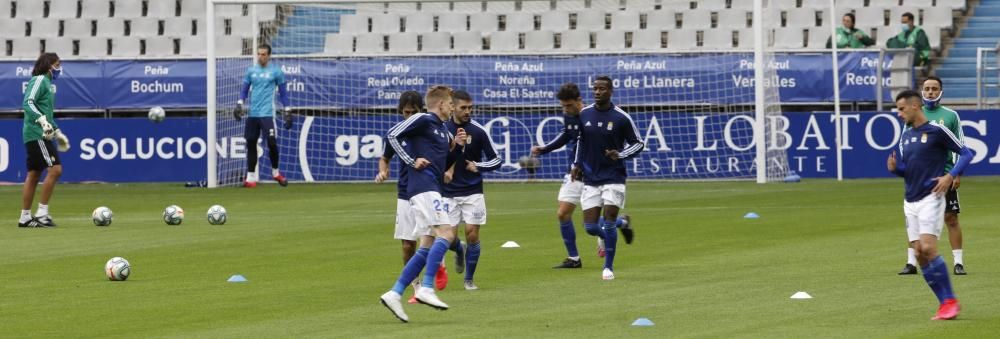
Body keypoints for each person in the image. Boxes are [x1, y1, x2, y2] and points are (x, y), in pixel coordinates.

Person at [379, 85, 467, 323]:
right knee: (447, 234)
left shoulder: (442, 130)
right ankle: (426, 287)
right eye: (450, 104)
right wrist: (410, 160)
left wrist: (458, 147)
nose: (453, 108)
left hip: (433, 188)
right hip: (423, 188)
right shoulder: (423, 119)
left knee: (426, 245)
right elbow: (392, 135)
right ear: (440, 105)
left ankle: (395, 293)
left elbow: (444, 162)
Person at [887, 90, 971, 320]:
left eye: (902, 108)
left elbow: (966, 153)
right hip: (909, 200)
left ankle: (951, 300)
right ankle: (944, 302)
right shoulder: (906, 136)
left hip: (930, 198)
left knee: (928, 248)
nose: (899, 113)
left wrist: (950, 175)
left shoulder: (937, 131)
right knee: (919, 253)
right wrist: (897, 170)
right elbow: (910, 172)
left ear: (915, 106)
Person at [531, 83, 632, 269]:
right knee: (562, 214)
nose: (565, 109)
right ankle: (574, 258)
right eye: (562, 106)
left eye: (568, 105)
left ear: (579, 101)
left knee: (593, 223)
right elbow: (565, 136)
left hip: (598, 175)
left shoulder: (591, 115)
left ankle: (616, 226)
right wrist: (544, 149)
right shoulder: (570, 117)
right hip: (576, 173)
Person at [375, 91, 448, 303]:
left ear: (421, 110)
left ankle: (441, 263)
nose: (408, 116)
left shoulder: (425, 129)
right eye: (405, 112)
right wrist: (383, 171)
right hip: (405, 192)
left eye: (412, 112)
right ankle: (417, 288)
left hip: (426, 189)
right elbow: (385, 158)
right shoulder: (398, 133)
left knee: (437, 233)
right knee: (408, 244)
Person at [571, 76, 643, 280]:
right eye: (595, 89)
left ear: (610, 91)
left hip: (614, 177)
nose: (597, 92)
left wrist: (620, 154)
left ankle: (608, 267)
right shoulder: (584, 114)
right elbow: (580, 141)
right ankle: (623, 223)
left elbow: (638, 143)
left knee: (608, 221)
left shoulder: (621, 117)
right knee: (591, 227)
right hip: (591, 177)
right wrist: (576, 164)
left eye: (602, 89)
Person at [899, 77, 967, 276]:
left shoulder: (950, 116)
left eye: (934, 89)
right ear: (922, 92)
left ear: (941, 92)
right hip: (920, 176)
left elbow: (961, 144)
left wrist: (956, 173)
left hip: (944, 174)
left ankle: (958, 262)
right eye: (927, 89)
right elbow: (903, 143)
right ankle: (911, 262)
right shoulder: (913, 114)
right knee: (915, 218)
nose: (930, 92)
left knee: (951, 218)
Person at [442, 90, 502, 290]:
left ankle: (469, 279)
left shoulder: (478, 130)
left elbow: (496, 159)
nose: (468, 111)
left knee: (472, 234)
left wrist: (479, 166)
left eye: (470, 107)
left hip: (472, 191)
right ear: (452, 107)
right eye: (463, 108)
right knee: (448, 238)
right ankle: (459, 250)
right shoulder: (441, 129)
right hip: (448, 192)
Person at [19, 52, 70, 228]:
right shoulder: (40, 80)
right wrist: (41, 120)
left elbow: (47, 114)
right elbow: (28, 103)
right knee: (55, 170)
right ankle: (42, 213)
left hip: (40, 133)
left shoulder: (48, 85)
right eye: (57, 64)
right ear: (49, 66)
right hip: (37, 133)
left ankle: (25, 217)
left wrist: (58, 133)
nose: (59, 69)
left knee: (33, 174)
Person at [235, 44, 292, 188]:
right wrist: (239, 104)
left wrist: (288, 111)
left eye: (264, 54)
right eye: (259, 54)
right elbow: (244, 90)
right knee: (251, 144)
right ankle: (250, 178)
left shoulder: (276, 72)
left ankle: (276, 173)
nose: (261, 57)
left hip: (268, 114)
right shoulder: (251, 71)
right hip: (253, 114)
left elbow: (283, 93)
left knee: (272, 143)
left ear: (269, 55)